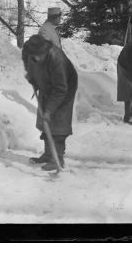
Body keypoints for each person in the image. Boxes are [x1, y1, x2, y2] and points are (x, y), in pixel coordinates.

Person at [22, 34, 77, 171]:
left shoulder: (56, 59)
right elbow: (27, 61)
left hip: (64, 88)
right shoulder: (29, 51)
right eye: (36, 55)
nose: (39, 57)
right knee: (44, 121)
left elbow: (60, 89)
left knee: (58, 121)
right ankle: (48, 154)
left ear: (46, 50)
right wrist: (31, 76)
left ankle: (57, 158)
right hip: (45, 83)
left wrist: (49, 110)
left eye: (41, 54)